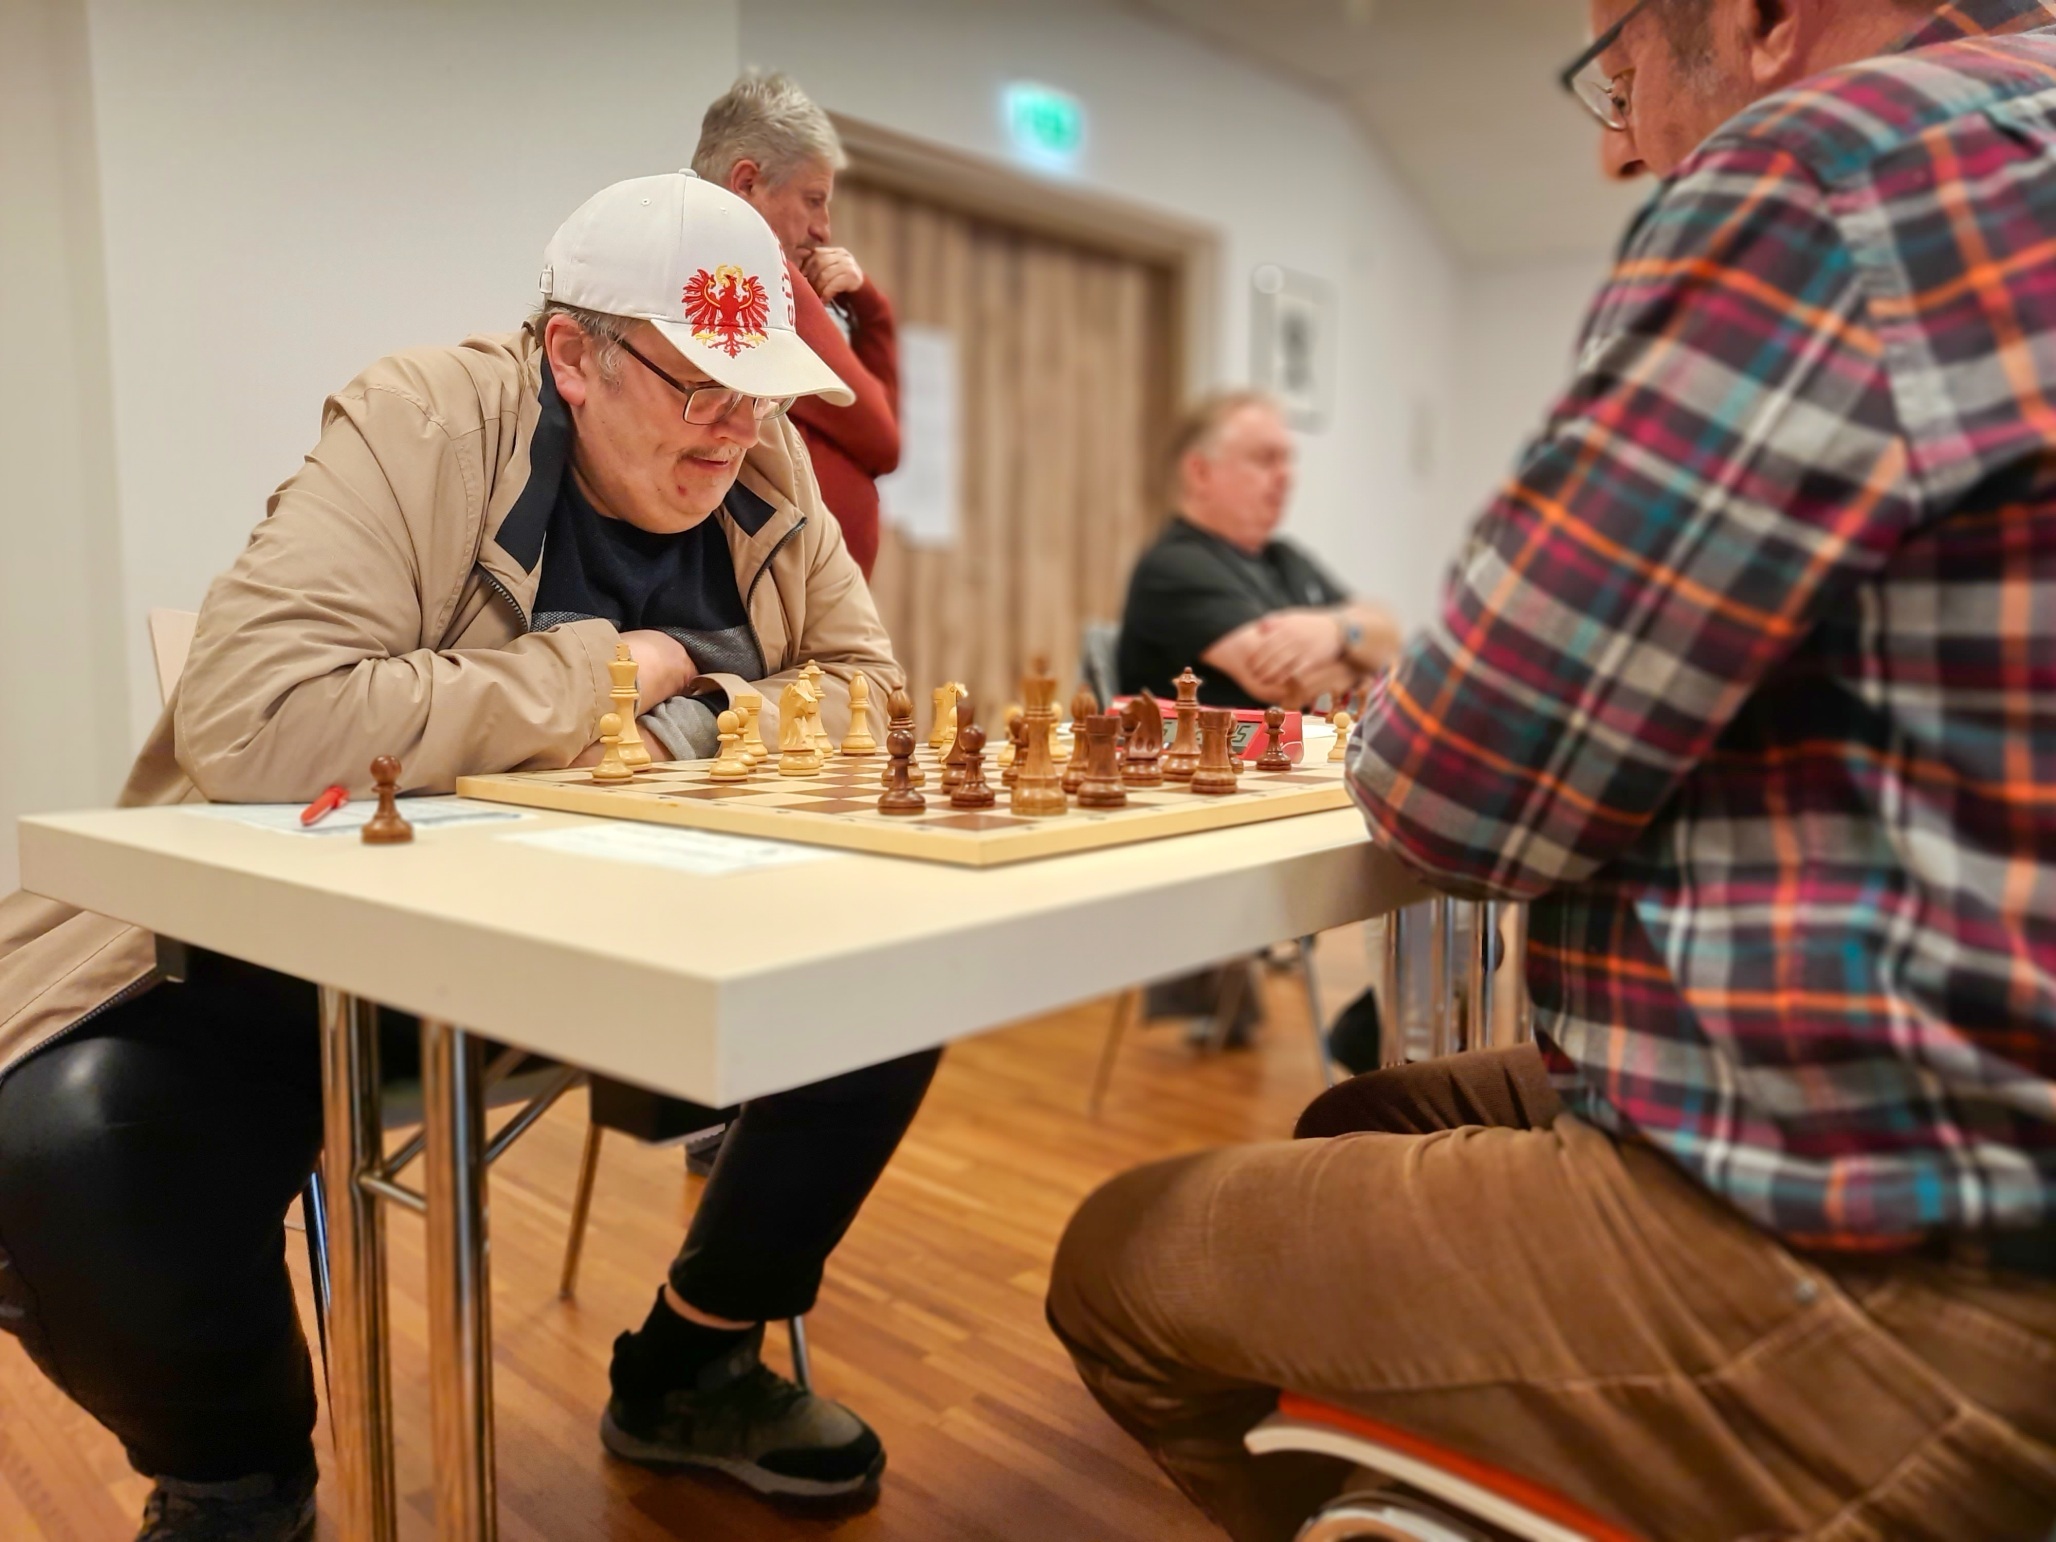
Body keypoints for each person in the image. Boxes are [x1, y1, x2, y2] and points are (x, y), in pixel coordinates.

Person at [1050, 1, 2056, 1538]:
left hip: (1908, 1242)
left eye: (1623, 73)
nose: (1615, 148)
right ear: (1203, 476)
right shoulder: (1185, 564)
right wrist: (1383, 642)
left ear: (1761, 17)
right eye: (1264, 460)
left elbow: (1458, 768)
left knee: (1120, 1259)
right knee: (1360, 1118)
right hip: (1942, 1108)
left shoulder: (1830, 170)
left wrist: (1389, 652)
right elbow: (1381, 646)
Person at [0, 171, 927, 1542]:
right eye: (700, 389)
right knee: (68, 1141)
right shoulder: (422, 422)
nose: (738, 431)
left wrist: (687, 707)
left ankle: (690, 1364)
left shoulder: (765, 460)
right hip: (333, 967)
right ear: (573, 356)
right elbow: (258, 714)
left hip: (647, 936)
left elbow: (876, 695)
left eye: (761, 392)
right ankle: (237, 1474)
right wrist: (609, 672)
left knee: (900, 966)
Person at [694, 72, 899, 579]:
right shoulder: (760, 275)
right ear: (747, 183)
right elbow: (884, 440)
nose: (823, 228)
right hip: (771, 589)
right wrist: (874, 313)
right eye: (813, 199)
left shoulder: (696, 258)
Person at [1116, 391, 1400, 712]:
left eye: (1288, 460)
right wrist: (1362, 665)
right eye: (1265, 459)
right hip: (1205, 746)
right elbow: (1282, 683)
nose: (1286, 476)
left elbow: (1391, 635)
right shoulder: (1174, 566)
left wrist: (1336, 631)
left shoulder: (1285, 558)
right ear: (1200, 473)